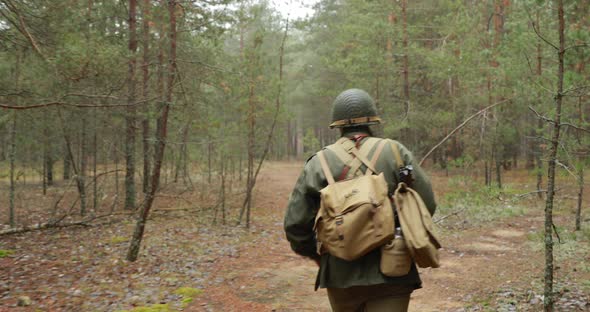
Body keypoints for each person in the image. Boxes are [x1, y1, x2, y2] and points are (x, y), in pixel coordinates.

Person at [284, 88, 437, 312]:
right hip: (393, 267)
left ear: (337, 124)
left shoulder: (319, 162)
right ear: (372, 120)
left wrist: (317, 255)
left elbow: (295, 225)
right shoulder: (395, 152)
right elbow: (427, 204)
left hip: (339, 270)